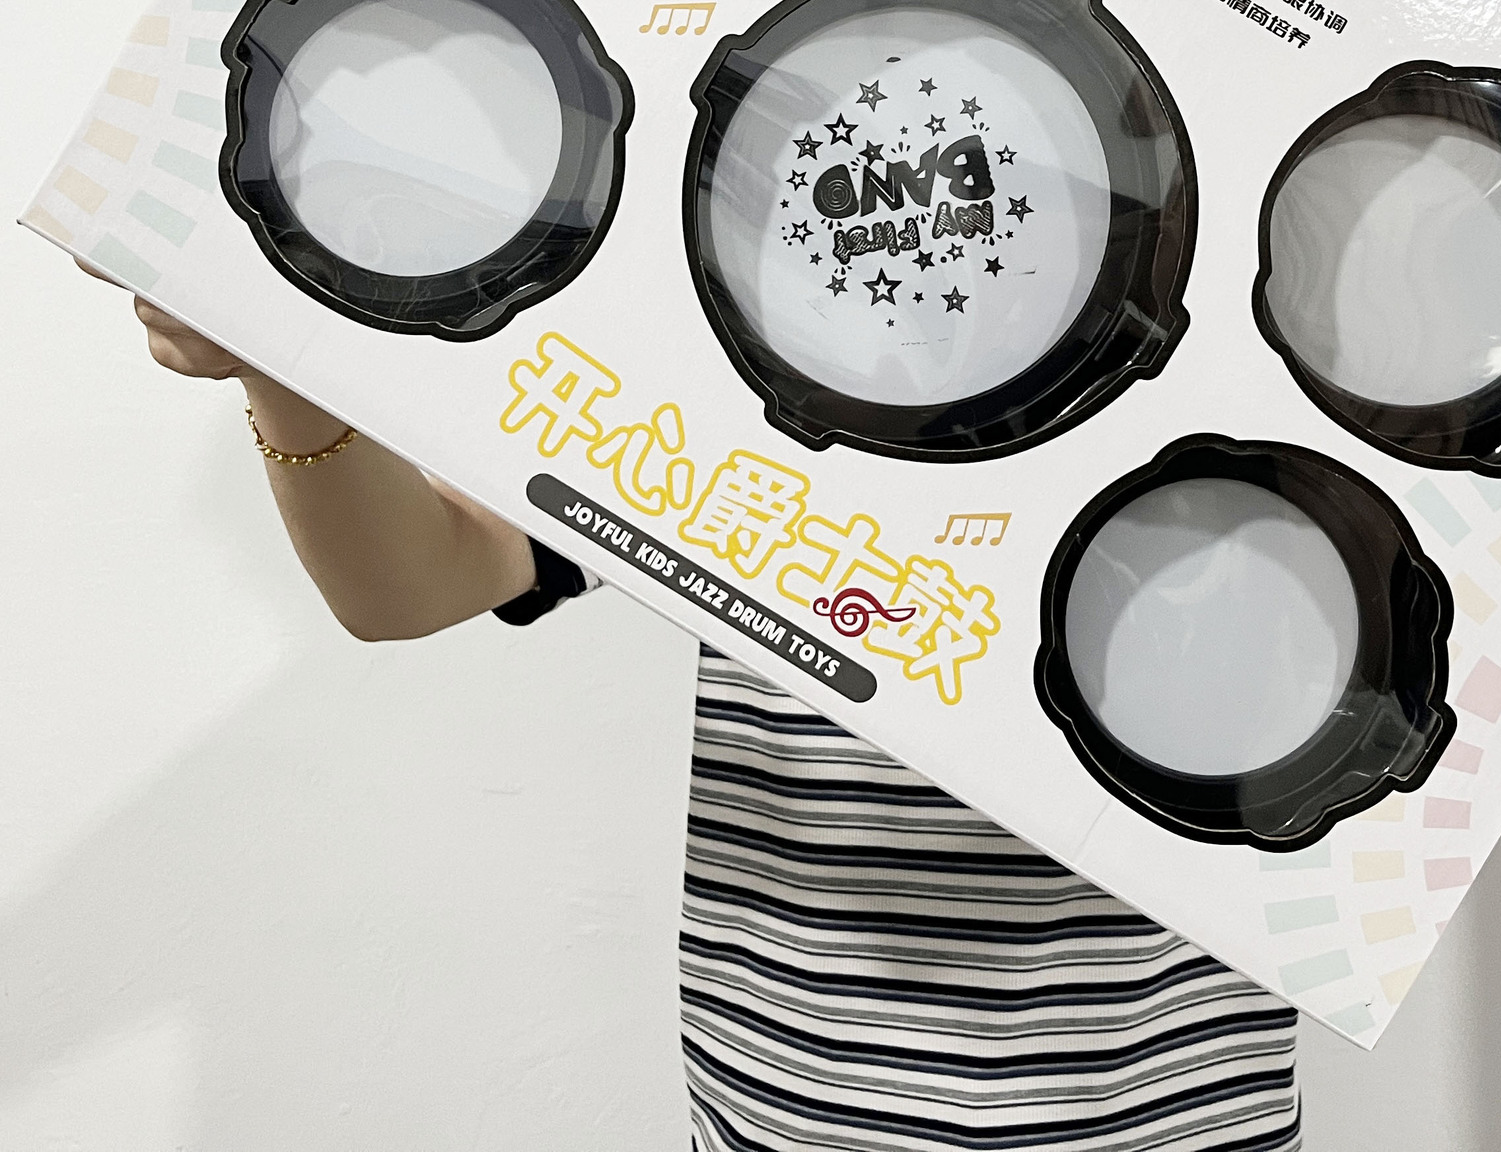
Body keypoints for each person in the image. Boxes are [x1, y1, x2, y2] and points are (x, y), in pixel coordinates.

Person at [103, 267, 1303, 1150]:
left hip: (1179, 1113)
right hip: (790, 1113)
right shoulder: (747, 337)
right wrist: (277, 365)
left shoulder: (1259, 365)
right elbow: (409, 585)